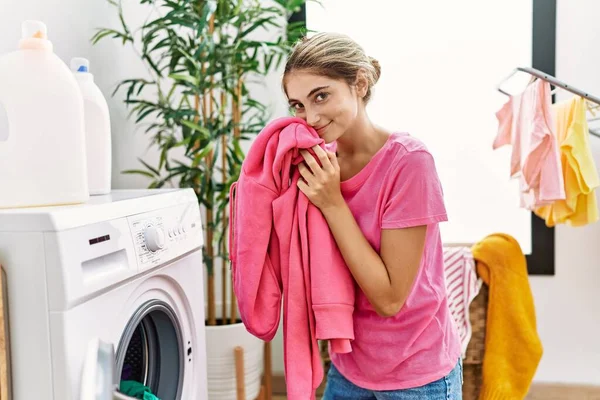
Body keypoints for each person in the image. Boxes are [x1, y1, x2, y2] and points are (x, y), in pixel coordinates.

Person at [282, 32, 463, 399]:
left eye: (321, 95)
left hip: (417, 374)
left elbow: (389, 299)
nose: (311, 117)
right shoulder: (317, 162)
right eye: (298, 105)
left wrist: (333, 203)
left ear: (359, 83)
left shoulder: (409, 162)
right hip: (349, 365)